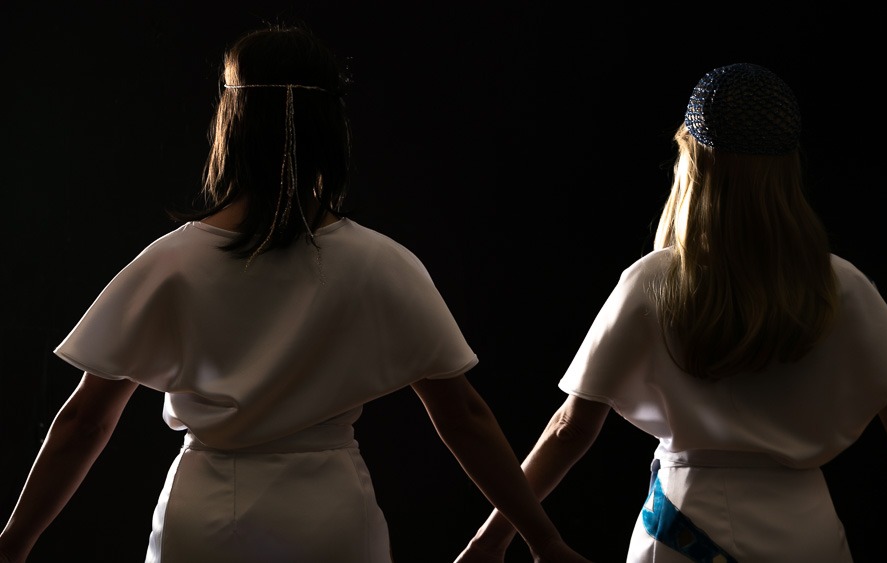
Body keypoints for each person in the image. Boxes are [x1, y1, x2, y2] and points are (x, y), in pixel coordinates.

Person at [0, 25, 591, 563]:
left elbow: (84, 423)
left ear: (230, 122)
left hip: (205, 518)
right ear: (331, 128)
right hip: (331, 518)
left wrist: (14, 543)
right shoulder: (381, 263)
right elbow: (463, 416)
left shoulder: (170, 262)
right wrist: (542, 539)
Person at [455, 63, 887, 562]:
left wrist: (493, 538)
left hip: (684, 529)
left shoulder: (653, 279)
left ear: (692, 163)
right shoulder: (842, 285)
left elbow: (570, 428)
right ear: (787, 170)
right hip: (810, 533)